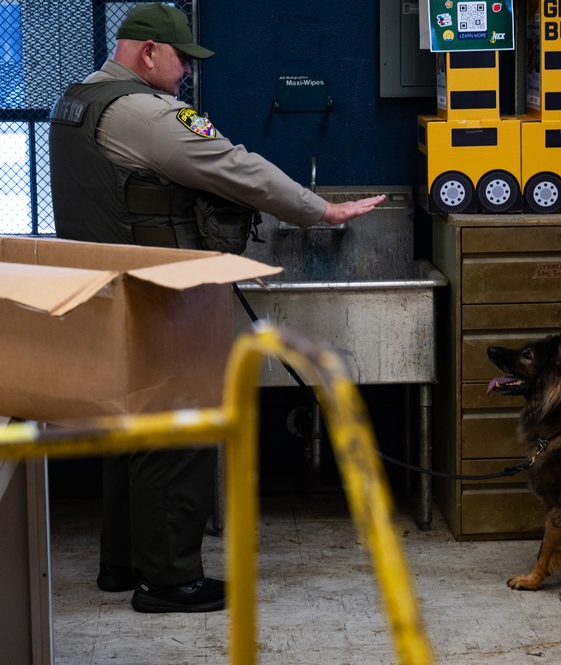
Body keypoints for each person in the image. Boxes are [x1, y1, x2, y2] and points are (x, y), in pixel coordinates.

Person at [48, 3, 383, 614]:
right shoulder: (145, 113)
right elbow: (236, 167)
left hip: (108, 291)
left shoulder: (75, 103)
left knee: (133, 427)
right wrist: (321, 209)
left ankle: (122, 565)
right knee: (182, 424)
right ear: (148, 52)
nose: (185, 78)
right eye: (180, 63)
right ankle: (170, 580)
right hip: (165, 293)